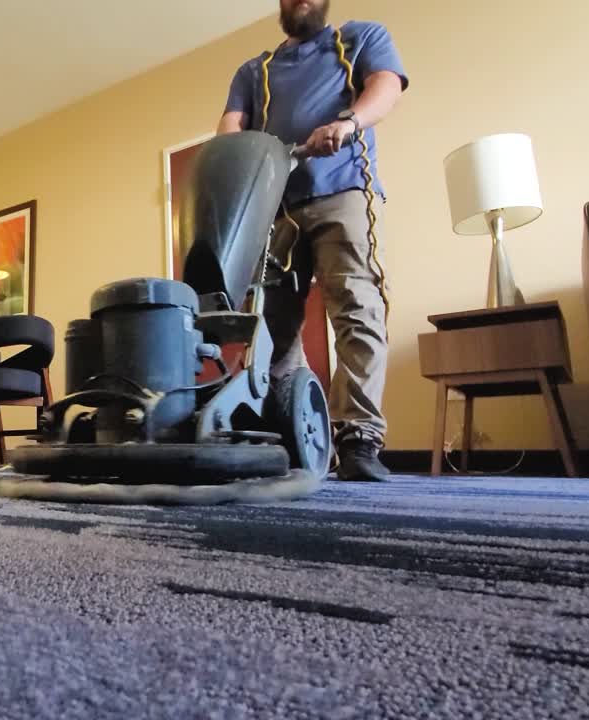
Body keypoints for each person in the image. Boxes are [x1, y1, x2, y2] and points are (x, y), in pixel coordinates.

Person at [217, 0, 407, 482]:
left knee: (355, 306)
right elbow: (231, 128)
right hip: (275, 205)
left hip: (341, 188)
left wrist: (347, 123)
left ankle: (358, 435)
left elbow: (384, 87)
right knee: (274, 323)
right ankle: (287, 434)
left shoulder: (359, 38)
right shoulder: (253, 70)